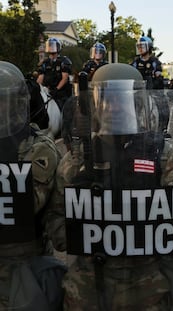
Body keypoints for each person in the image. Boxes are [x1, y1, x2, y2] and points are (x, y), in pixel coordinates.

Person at [45, 63, 173, 310]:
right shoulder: (76, 161)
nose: (115, 107)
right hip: (89, 288)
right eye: (108, 100)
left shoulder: (163, 155)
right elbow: (55, 222)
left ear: (138, 104)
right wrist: (91, 229)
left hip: (149, 285)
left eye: (123, 99)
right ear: (95, 105)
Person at [0, 61, 65, 310]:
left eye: (3, 100)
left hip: (22, 268)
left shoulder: (38, 148)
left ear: (15, 103)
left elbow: (26, 205)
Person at [37, 37, 73, 110]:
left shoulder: (63, 61)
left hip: (61, 93)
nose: (51, 48)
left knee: (65, 110)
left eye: (53, 45)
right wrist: (37, 88)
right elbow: (40, 77)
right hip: (47, 90)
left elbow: (64, 78)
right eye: (49, 45)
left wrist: (56, 89)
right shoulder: (45, 62)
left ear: (58, 47)